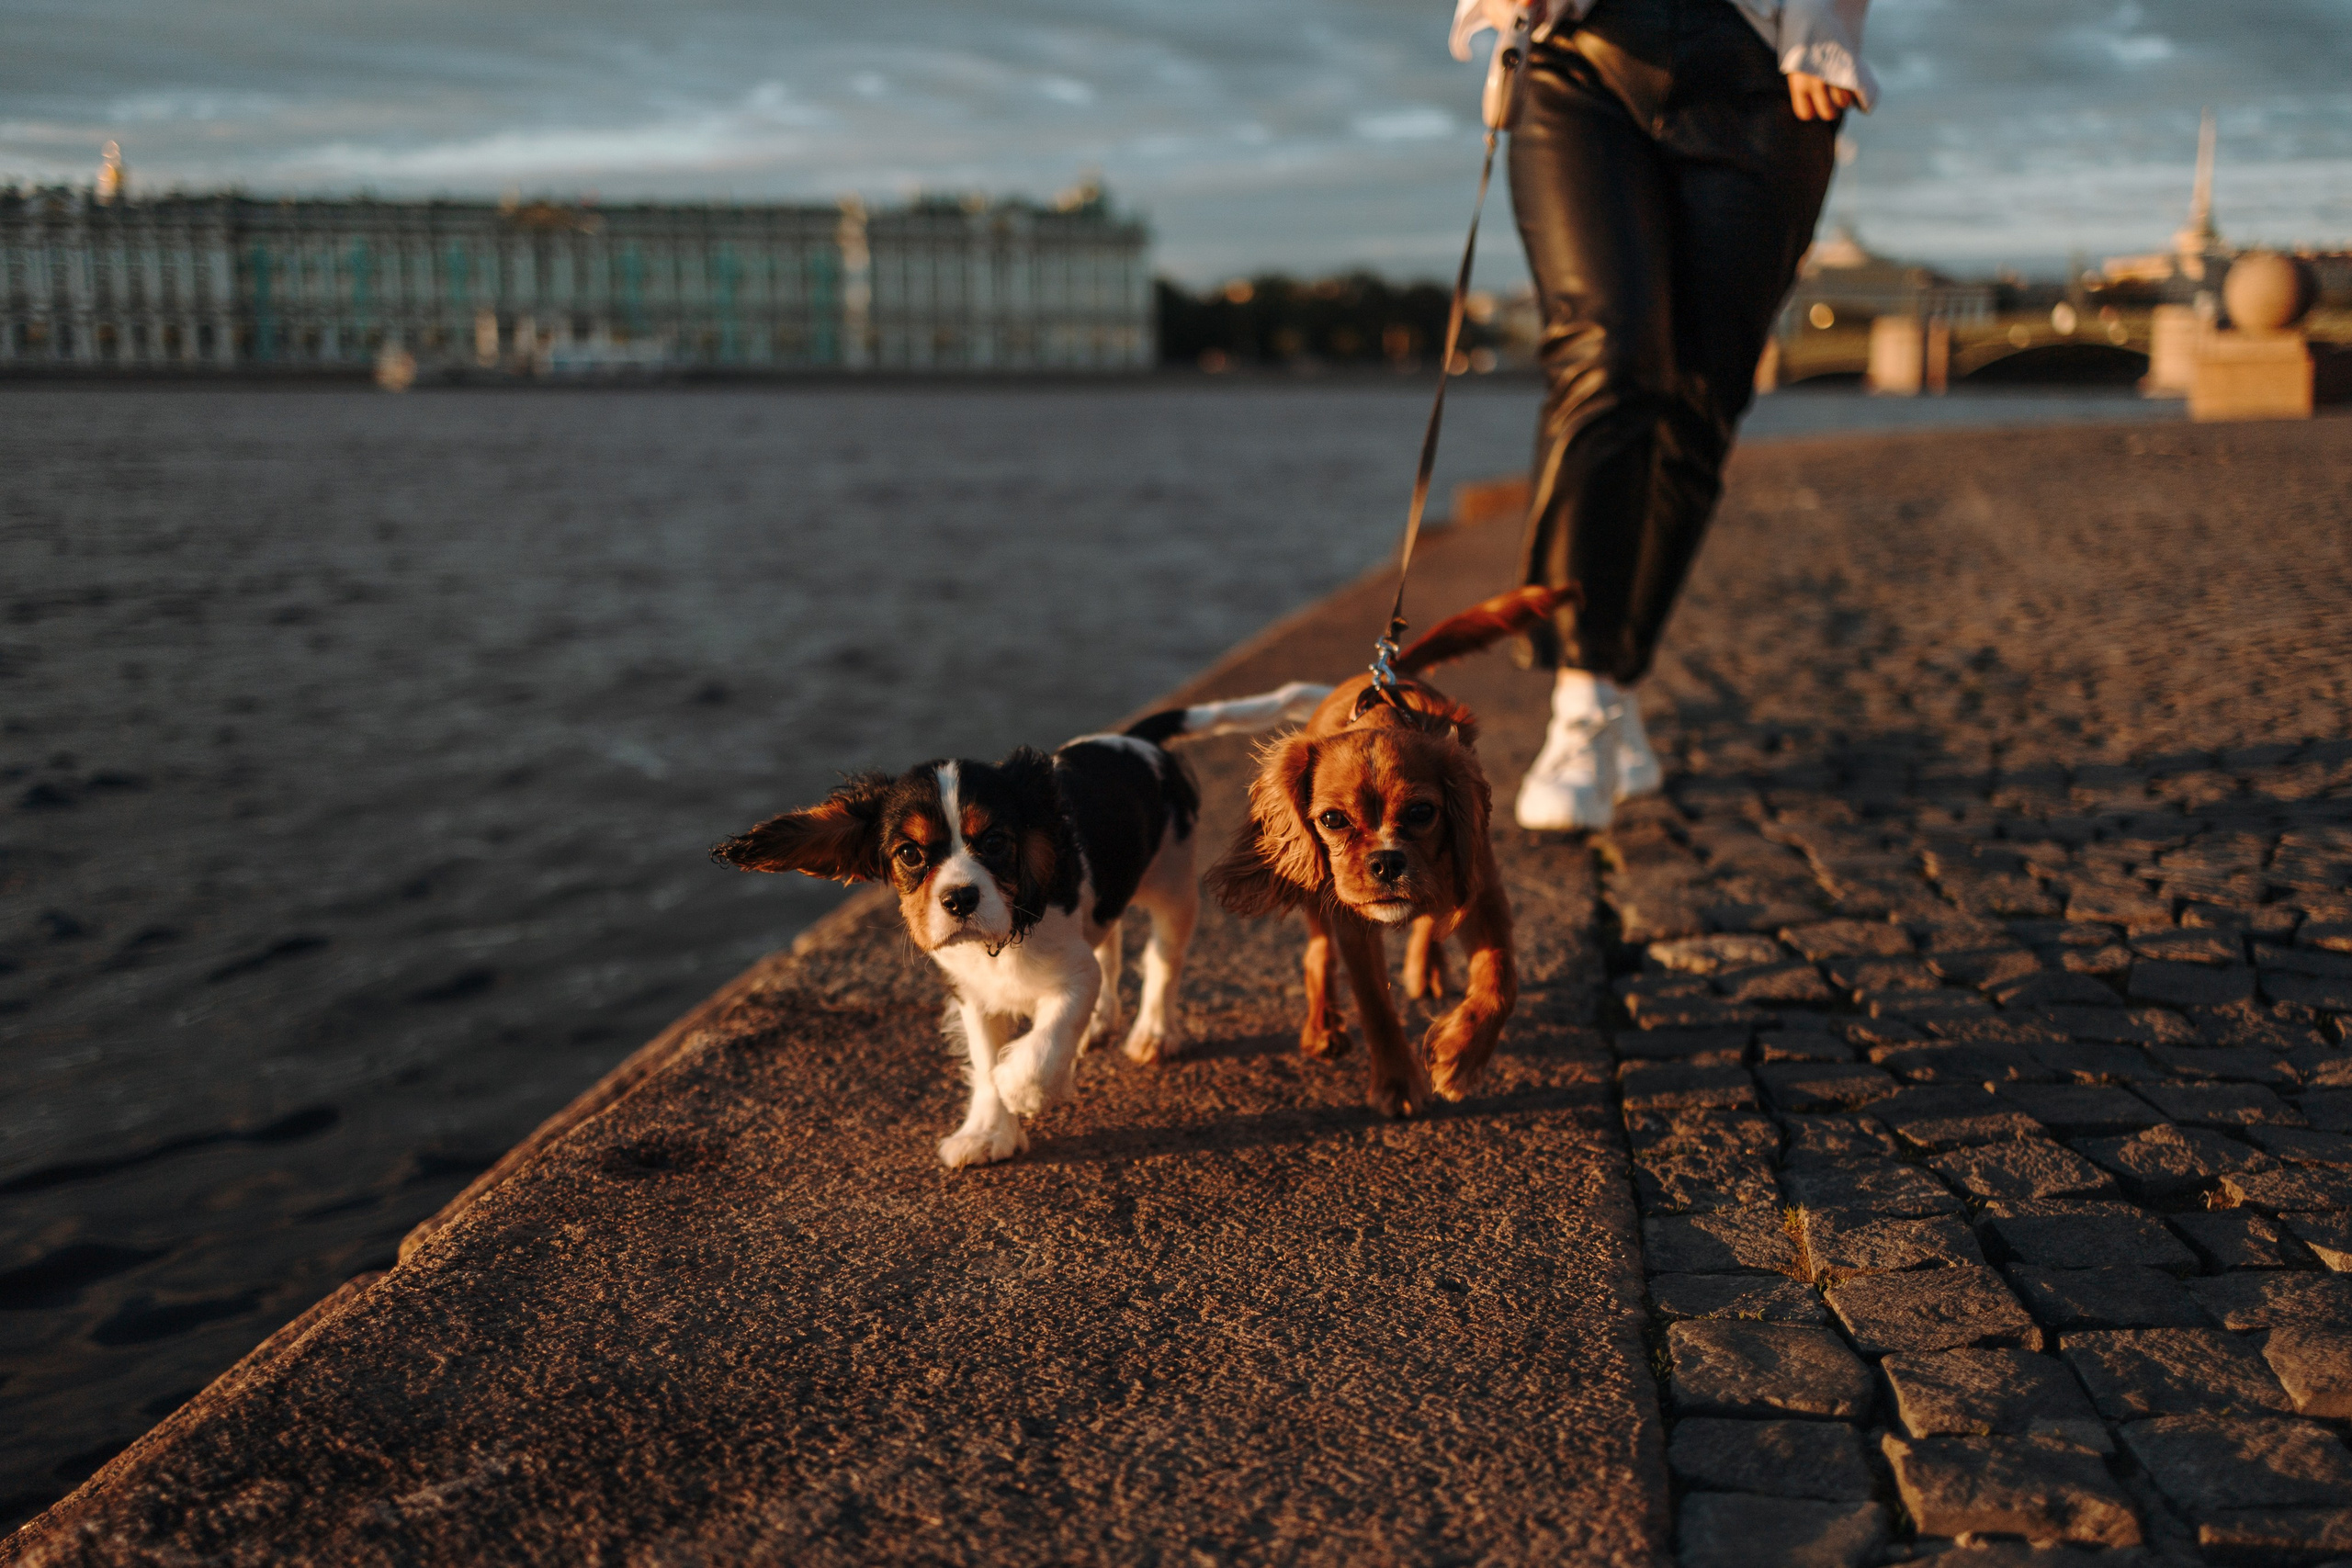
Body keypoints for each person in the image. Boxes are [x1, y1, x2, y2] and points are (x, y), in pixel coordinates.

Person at [1450, 0, 1874, 829]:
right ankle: (1579, 701)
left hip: (1762, 72)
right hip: (1580, 48)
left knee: (1701, 405)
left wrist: (1825, 22)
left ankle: (1616, 681)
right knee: (1604, 355)